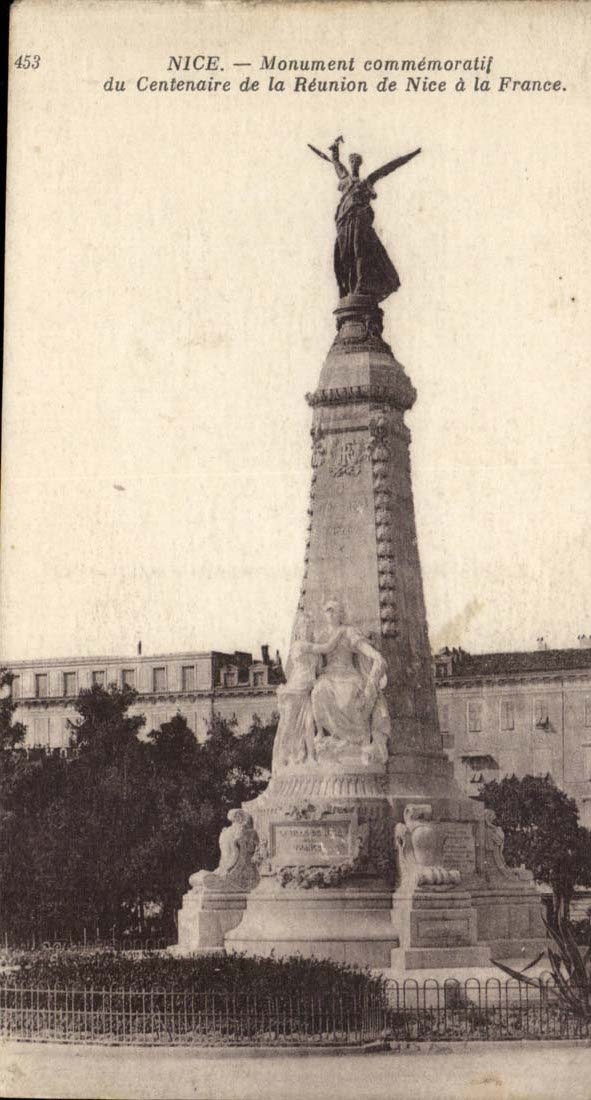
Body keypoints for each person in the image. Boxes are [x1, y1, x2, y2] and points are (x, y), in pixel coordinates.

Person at [300, 599, 390, 763]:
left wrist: (375, 656)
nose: (331, 613)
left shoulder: (349, 632)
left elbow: (364, 648)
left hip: (348, 675)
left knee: (348, 696)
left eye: (334, 610)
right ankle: (325, 735)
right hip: (328, 675)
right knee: (319, 690)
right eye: (328, 610)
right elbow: (314, 659)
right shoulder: (322, 635)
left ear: (341, 613)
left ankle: (355, 740)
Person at [271, 613, 319, 770]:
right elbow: (326, 647)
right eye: (304, 627)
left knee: (309, 724)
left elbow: (317, 669)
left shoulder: (311, 648)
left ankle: (311, 756)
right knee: (289, 725)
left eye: (310, 627)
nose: (307, 630)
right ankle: (285, 758)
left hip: (306, 692)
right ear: (299, 630)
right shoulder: (300, 645)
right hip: (295, 691)